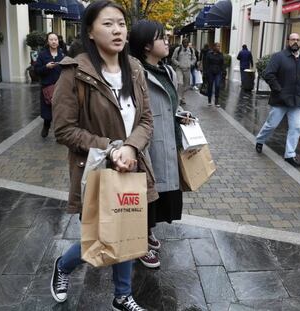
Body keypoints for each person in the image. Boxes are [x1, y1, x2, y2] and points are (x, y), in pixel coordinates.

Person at [51, 1, 157, 310]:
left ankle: (122, 295)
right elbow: (64, 130)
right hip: (96, 168)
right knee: (98, 237)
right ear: (90, 32)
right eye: (108, 24)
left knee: (127, 231)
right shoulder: (75, 73)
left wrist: (131, 146)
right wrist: (111, 147)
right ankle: (63, 266)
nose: (118, 30)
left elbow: (147, 120)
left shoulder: (135, 69)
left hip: (132, 165)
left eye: (121, 24)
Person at [129, 19, 187, 269]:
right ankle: (138, 243)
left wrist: (182, 112)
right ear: (145, 45)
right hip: (148, 145)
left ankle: (148, 231)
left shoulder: (168, 71)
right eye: (161, 37)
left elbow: (172, 103)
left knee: (161, 194)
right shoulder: (135, 73)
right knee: (146, 193)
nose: (167, 41)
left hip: (168, 142)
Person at [255, 33, 300, 167]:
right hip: (280, 100)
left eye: (297, 39)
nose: (295, 42)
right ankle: (260, 140)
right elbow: (268, 74)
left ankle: (290, 155)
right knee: (271, 124)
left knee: (295, 128)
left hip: (297, 101)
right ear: (287, 41)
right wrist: (278, 89)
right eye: (293, 40)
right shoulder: (279, 57)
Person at [34, 32, 64, 138]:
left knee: (60, 112)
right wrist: (46, 67)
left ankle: (59, 133)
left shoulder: (63, 53)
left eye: (55, 39)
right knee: (48, 111)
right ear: (48, 41)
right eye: (51, 39)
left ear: (58, 41)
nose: (54, 41)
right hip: (47, 87)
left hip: (61, 87)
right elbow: (36, 70)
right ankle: (46, 125)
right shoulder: (43, 54)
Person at [171, 38, 193, 106]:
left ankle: (183, 97)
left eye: (187, 43)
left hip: (187, 69)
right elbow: (173, 58)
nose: (186, 44)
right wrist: (178, 64)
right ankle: (179, 98)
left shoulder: (191, 50)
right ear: (182, 43)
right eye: (184, 43)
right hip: (179, 69)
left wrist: (191, 63)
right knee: (180, 83)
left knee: (186, 85)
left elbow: (194, 58)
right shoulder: (178, 49)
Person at [205, 42, 224, 107]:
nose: (218, 47)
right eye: (217, 46)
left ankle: (216, 101)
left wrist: (221, 71)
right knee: (210, 85)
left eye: (219, 46)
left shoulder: (221, 54)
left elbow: (222, 63)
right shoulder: (209, 54)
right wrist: (206, 72)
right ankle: (209, 100)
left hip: (218, 72)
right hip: (210, 72)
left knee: (217, 85)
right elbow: (206, 63)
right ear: (214, 47)